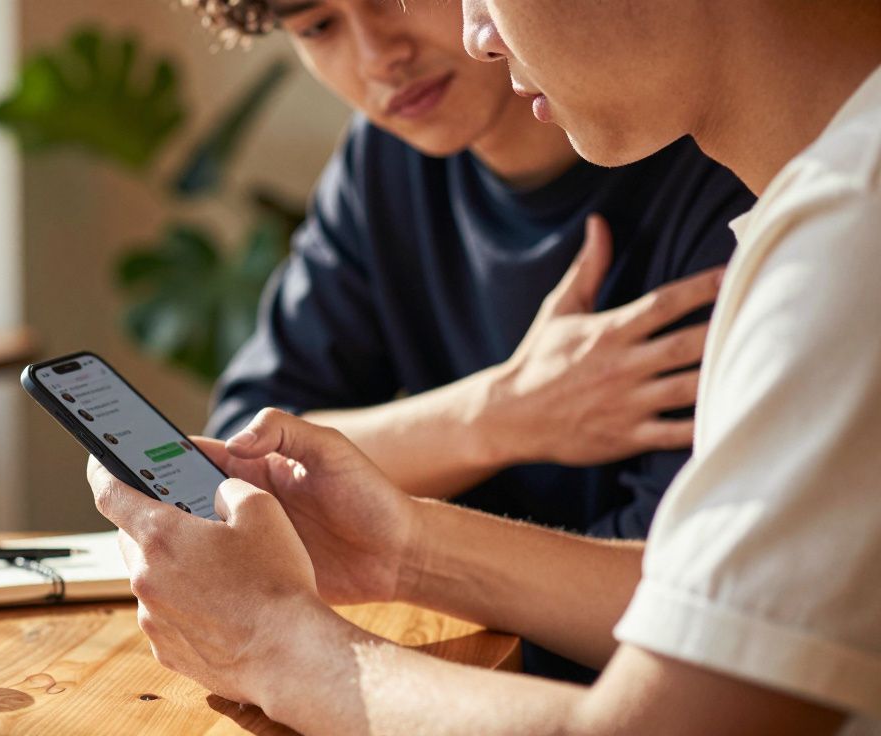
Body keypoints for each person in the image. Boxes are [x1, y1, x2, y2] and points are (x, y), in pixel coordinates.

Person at [88, 0, 881, 733]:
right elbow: (712, 599)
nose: (476, 34)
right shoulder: (820, 201)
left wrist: (273, 642)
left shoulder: (846, 228)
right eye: (320, 25)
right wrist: (419, 533)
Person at [198, 0, 751, 681]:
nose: (378, 56)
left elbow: (689, 599)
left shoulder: (721, 178)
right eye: (318, 27)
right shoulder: (385, 165)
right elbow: (236, 453)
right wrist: (496, 417)